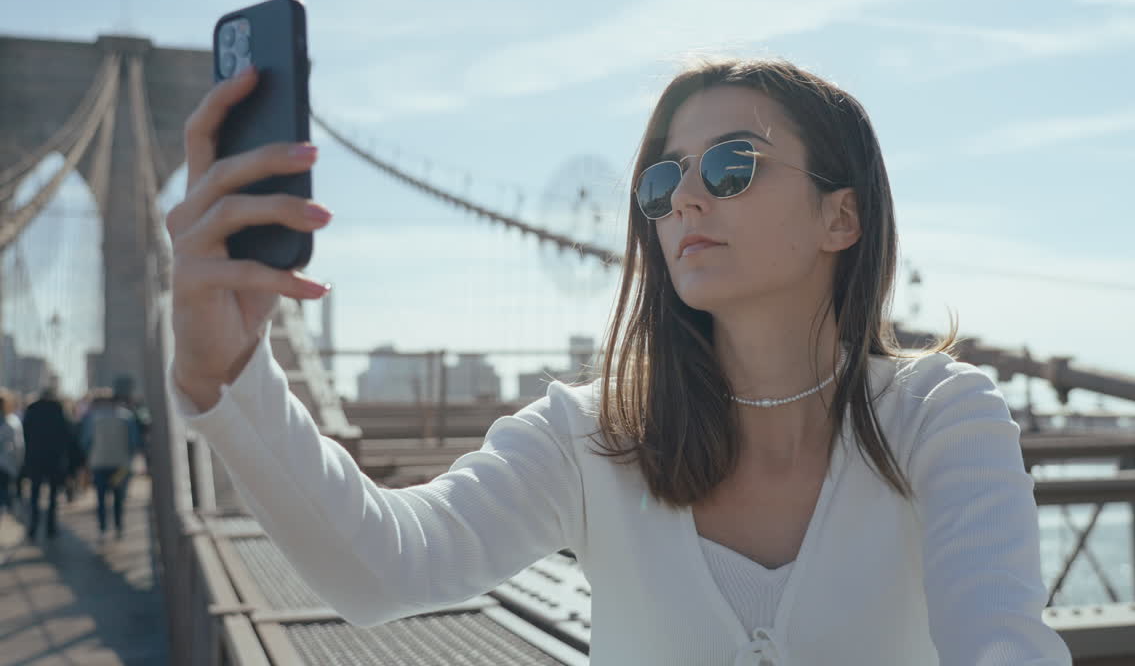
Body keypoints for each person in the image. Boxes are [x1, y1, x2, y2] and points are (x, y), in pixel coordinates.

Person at [166, 57, 1072, 664]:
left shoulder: (941, 416)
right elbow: (379, 572)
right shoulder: (588, 435)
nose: (680, 197)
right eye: (659, 178)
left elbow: (1004, 646)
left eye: (729, 166)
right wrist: (230, 375)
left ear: (842, 217)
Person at [79, 383, 144, 539]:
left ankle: (102, 528)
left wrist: (89, 457)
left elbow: (86, 441)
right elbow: (134, 442)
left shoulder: (92, 418)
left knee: (101, 498)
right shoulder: (127, 417)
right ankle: (118, 526)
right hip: (121, 464)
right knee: (118, 496)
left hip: (99, 463)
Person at [21, 384, 75, 540]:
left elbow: (25, 433)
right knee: (52, 494)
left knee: (34, 493)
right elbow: (67, 434)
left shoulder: (31, 410)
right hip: (54, 458)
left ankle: (33, 525)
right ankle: (51, 525)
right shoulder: (59, 410)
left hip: (35, 457)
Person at [0, 390, 24, 521]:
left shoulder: (12, 422)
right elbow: (19, 446)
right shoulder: (13, 422)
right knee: (4, 493)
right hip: (6, 464)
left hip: (5, 463)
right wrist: (18, 464)